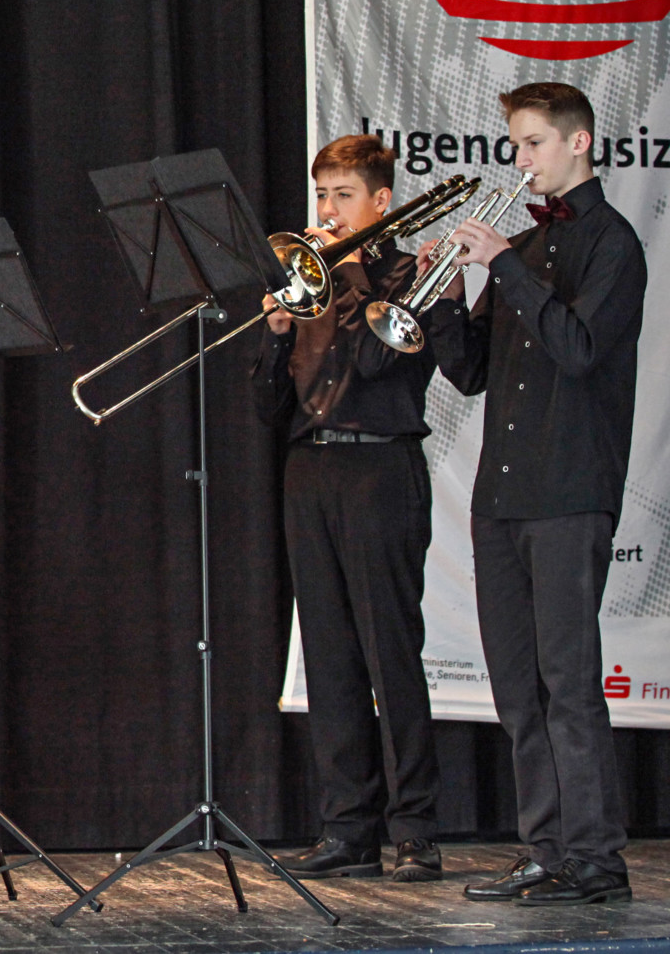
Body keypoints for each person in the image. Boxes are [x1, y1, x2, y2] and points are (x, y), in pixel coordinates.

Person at [426, 83, 646, 906]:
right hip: (503, 498)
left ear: (579, 143)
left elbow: (581, 348)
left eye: (532, 144)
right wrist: (451, 297)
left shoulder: (612, 244)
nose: (519, 160)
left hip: (569, 490)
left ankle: (596, 861)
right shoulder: (527, 247)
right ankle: (547, 849)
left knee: (568, 683)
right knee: (519, 689)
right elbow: (474, 372)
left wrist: (506, 266)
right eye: (516, 144)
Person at [254, 136, 445, 883]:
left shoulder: (404, 273)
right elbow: (268, 407)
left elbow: (374, 360)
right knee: (330, 654)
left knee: (388, 651)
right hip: (311, 467)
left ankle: (415, 829)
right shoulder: (306, 282)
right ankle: (347, 827)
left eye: (340, 195)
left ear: (380, 203)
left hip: (380, 465)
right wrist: (274, 340)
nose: (326, 211)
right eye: (321, 195)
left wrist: (355, 271)